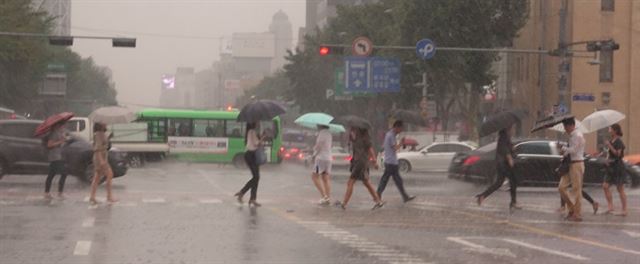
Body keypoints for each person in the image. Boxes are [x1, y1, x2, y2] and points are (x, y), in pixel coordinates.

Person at [336, 127, 385, 210]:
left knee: (350, 182)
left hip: (360, 162)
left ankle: (344, 203)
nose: (353, 130)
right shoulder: (356, 138)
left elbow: (370, 150)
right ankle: (378, 201)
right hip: (359, 162)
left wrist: (374, 161)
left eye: (355, 129)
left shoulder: (364, 139)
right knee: (366, 182)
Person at [476, 125, 521, 210]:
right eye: (513, 128)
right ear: (508, 129)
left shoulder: (505, 137)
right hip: (504, 164)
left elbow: (507, 148)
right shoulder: (504, 138)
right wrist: (509, 157)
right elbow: (504, 150)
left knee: (499, 183)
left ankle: (482, 196)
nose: (514, 130)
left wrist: (512, 149)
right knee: (513, 181)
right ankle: (513, 202)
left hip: (502, 164)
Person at [377, 120, 415, 203]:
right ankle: (378, 195)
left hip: (392, 161)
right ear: (396, 127)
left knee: (396, 180)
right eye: (400, 128)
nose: (401, 131)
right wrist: (401, 143)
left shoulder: (391, 135)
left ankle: (405, 196)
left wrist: (401, 143)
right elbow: (395, 148)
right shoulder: (391, 135)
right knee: (386, 180)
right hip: (390, 162)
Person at [557, 118, 586, 222]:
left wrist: (564, 149)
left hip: (577, 164)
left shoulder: (577, 135)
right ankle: (572, 208)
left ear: (571, 125)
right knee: (561, 187)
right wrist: (563, 150)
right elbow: (570, 151)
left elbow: (574, 150)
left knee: (576, 190)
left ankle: (577, 214)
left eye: (566, 126)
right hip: (570, 164)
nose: (565, 129)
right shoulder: (572, 136)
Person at [235, 122, 262, 207]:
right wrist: (263, 137)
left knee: (256, 177)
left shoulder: (250, 132)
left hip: (251, 155)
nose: (258, 123)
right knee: (256, 177)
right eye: (257, 121)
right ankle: (243, 193)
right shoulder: (252, 132)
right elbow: (257, 144)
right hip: (251, 155)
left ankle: (252, 198)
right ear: (253, 123)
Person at [603, 124, 627, 216]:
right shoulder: (610, 141)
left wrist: (610, 146)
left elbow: (618, 154)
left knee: (620, 188)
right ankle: (610, 207)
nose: (609, 130)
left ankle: (624, 210)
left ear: (615, 130)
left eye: (610, 128)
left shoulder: (619, 142)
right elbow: (610, 154)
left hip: (618, 167)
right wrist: (606, 159)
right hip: (610, 167)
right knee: (605, 186)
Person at [89, 122, 116, 204]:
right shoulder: (98, 134)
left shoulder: (101, 134)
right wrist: (101, 161)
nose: (106, 124)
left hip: (102, 157)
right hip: (100, 158)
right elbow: (97, 148)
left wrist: (109, 137)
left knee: (97, 177)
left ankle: (92, 197)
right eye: (104, 124)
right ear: (100, 126)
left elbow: (104, 144)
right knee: (109, 174)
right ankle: (109, 196)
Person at [43, 122, 68, 199]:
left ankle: (47, 193)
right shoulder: (53, 133)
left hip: (58, 156)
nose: (64, 126)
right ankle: (59, 193)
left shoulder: (58, 133)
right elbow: (49, 144)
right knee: (64, 173)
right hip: (55, 157)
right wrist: (60, 142)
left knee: (51, 174)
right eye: (62, 125)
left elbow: (60, 144)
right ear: (57, 125)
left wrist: (63, 140)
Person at [311, 125, 333, 205]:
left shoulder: (322, 133)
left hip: (321, 159)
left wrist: (314, 154)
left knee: (314, 176)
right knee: (325, 178)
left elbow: (319, 145)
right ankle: (328, 197)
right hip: (328, 158)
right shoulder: (329, 134)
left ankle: (324, 196)